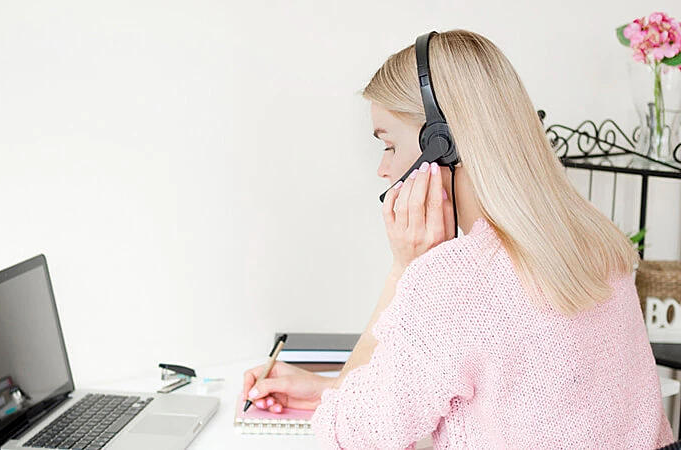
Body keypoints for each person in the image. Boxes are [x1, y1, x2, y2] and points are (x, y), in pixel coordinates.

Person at [241, 29, 674, 449]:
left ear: (440, 144)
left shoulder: (456, 282)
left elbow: (349, 433)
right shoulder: (598, 242)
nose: (383, 170)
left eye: (389, 146)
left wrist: (402, 269)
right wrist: (329, 388)